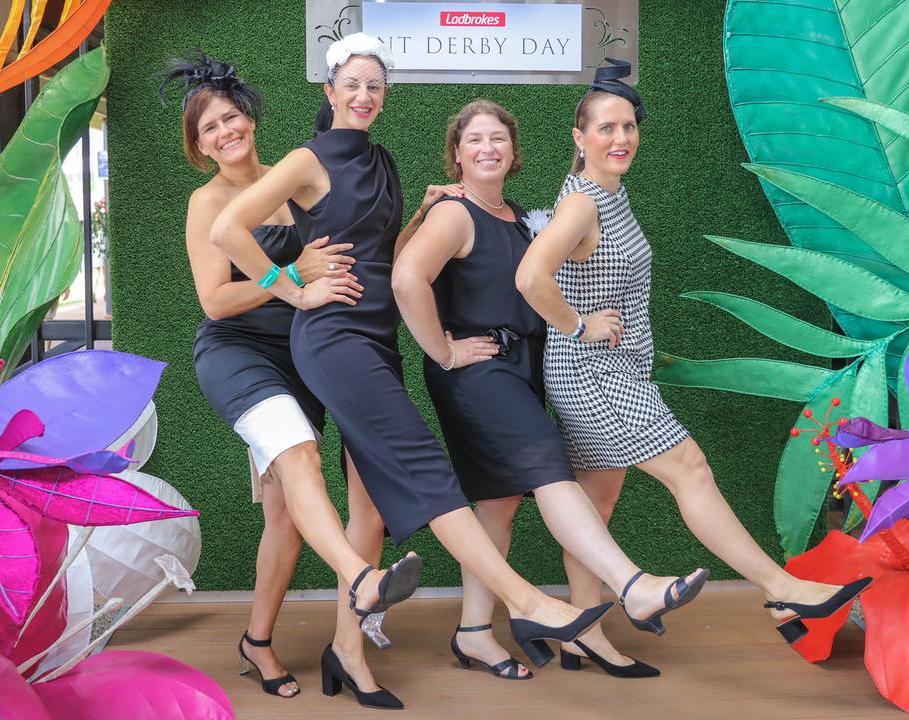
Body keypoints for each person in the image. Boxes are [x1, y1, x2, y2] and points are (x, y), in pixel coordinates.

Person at [208, 34, 685, 707]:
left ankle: (346, 648)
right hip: (334, 334)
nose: (365, 95)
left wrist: (425, 216)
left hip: (376, 339)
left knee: (369, 509)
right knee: (424, 465)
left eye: (375, 85)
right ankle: (527, 602)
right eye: (353, 84)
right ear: (329, 90)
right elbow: (228, 228)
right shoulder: (307, 159)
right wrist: (291, 286)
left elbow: (388, 257)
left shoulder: (383, 163)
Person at [515, 59, 872, 658]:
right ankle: (781, 588)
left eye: (629, 126)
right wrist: (580, 326)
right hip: (593, 373)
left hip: (617, 370)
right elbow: (530, 277)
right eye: (606, 128)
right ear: (579, 138)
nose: (621, 138)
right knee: (692, 469)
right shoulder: (581, 205)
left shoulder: (610, 195)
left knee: (596, 500)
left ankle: (582, 632)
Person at [393, 99, 706, 680]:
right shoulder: (455, 213)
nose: (487, 148)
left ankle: (475, 632)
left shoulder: (517, 216)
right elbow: (406, 277)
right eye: (474, 140)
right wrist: (443, 350)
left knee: (499, 501)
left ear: (514, 152)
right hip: (478, 372)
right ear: (456, 153)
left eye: (498, 139)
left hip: (520, 367)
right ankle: (630, 584)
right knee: (549, 471)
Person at [164, 52, 419, 705]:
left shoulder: (294, 176)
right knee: (302, 456)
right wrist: (291, 280)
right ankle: (360, 576)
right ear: (198, 147)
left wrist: (420, 219)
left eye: (231, 117)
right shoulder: (206, 203)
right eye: (209, 129)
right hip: (238, 355)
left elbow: (363, 252)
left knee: (282, 513)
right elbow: (215, 301)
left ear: (249, 117)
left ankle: (256, 641)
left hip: (307, 356)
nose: (226, 132)